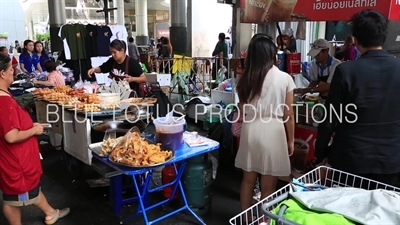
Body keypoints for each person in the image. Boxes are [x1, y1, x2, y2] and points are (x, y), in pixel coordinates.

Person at [315, 9, 400, 185]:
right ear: (383, 36)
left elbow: (330, 118)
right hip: (390, 160)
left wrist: (321, 152)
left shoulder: (346, 71)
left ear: (355, 39)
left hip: (350, 159)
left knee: (346, 210)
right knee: (380, 209)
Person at [0, 54, 70, 225]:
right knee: (17, 196)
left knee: (24, 192)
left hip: (15, 159)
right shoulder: (4, 102)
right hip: (16, 161)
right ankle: (49, 213)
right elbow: (11, 136)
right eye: (11, 69)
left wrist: (29, 125)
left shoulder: (5, 96)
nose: (14, 72)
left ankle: (51, 212)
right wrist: (34, 130)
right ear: (2, 73)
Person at [235, 34, 295, 223]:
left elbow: (242, 109)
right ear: (271, 54)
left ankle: (245, 220)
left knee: (248, 180)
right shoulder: (285, 78)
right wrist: (291, 140)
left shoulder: (245, 79)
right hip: (273, 131)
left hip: (251, 130)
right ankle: (263, 221)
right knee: (268, 186)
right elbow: (288, 115)